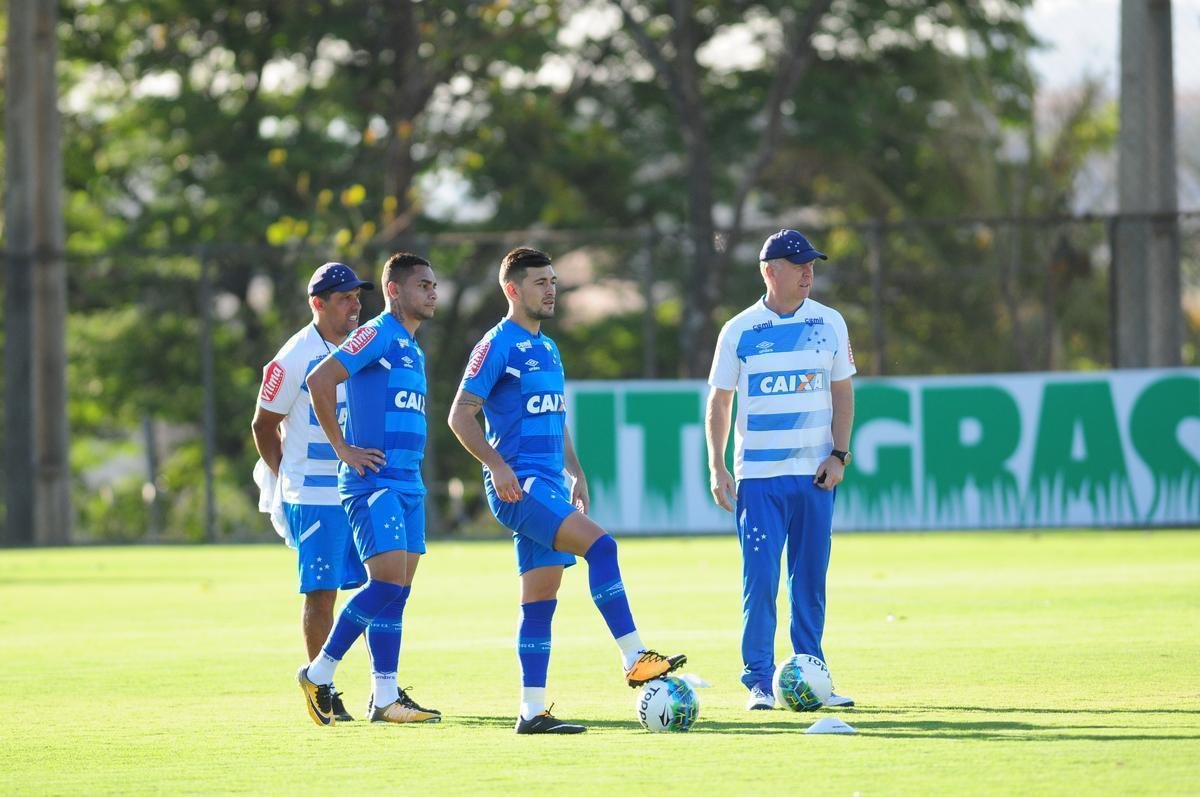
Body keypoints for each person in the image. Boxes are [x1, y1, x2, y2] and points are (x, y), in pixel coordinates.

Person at [447, 246, 686, 735]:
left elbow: (556, 417)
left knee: (540, 599)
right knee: (603, 546)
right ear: (512, 289)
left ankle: (531, 712)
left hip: (549, 482)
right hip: (520, 485)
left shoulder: (548, 347)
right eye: (540, 282)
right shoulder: (497, 345)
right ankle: (634, 656)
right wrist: (495, 466)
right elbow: (459, 415)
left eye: (553, 280)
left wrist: (575, 470)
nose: (551, 288)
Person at [704, 229, 857, 711]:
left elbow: (843, 392)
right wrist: (717, 464)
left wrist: (840, 454)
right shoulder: (739, 329)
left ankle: (812, 675)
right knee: (761, 581)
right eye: (798, 264)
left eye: (811, 263)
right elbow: (719, 401)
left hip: (815, 476)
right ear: (771, 271)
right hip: (760, 480)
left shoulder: (830, 322)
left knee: (809, 580)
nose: (809, 271)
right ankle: (759, 681)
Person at [297, 252, 442, 726]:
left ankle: (384, 699)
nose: (433, 293)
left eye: (434, 285)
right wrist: (343, 448)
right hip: (373, 482)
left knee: (396, 594)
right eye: (423, 285)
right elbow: (320, 379)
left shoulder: (412, 346)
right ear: (395, 290)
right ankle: (319, 672)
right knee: (384, 584)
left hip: (407, 482)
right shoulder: (377, 332)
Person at [251, 261, 374, 722]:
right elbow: (263, 424)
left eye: (357, 296)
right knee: (322, 592)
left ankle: (384, 691)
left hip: (358, 487)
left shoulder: (364, 345)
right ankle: (323, 686)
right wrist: (287, 474)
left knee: (379, 586)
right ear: (317, 304)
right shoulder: (294, 356)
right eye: (344, 298)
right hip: (315, 493)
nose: (355, 305)